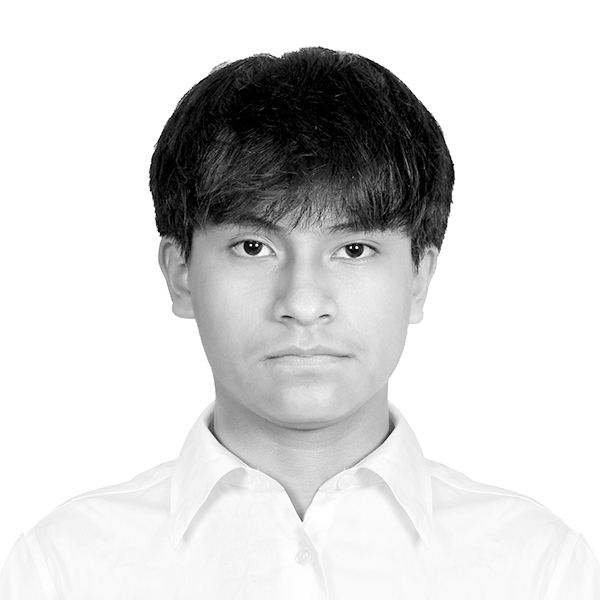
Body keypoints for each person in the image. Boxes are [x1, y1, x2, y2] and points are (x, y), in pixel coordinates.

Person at [1, 46, 598, 599]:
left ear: (419, 277)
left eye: (354, 249)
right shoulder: (61, 570)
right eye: (253, 247)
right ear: (180, 273)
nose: (304, 303)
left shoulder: (541, 569)